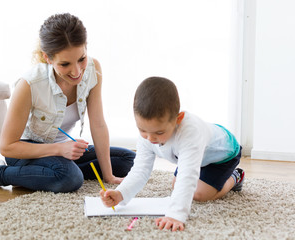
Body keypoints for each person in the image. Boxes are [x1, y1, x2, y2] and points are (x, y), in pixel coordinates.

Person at [0, 13, 135, 192]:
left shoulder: (94, 69)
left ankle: (40, 175)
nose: (77, 71)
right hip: (25, 151)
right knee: (70, 178)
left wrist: (108, 176)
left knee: (127, 159)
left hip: (63, 150)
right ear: (47, 58)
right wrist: (59, 150)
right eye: (65, 64)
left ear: (86, 47)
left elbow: (98, 124)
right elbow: (7, 147)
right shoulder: (29, 84)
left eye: (81, 59)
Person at [100, 77, 245, 231]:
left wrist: (176, 215)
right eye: (142, 130)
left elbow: (187, 175)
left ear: (178, 119)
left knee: (199, 195)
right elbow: (140, 170)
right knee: (177, 186)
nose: (150, 138)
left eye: (159, 132)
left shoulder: (190, 132)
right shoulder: (149, 134)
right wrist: (120, 194)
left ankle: (236, 176)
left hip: (222, 157)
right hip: (190, 156)